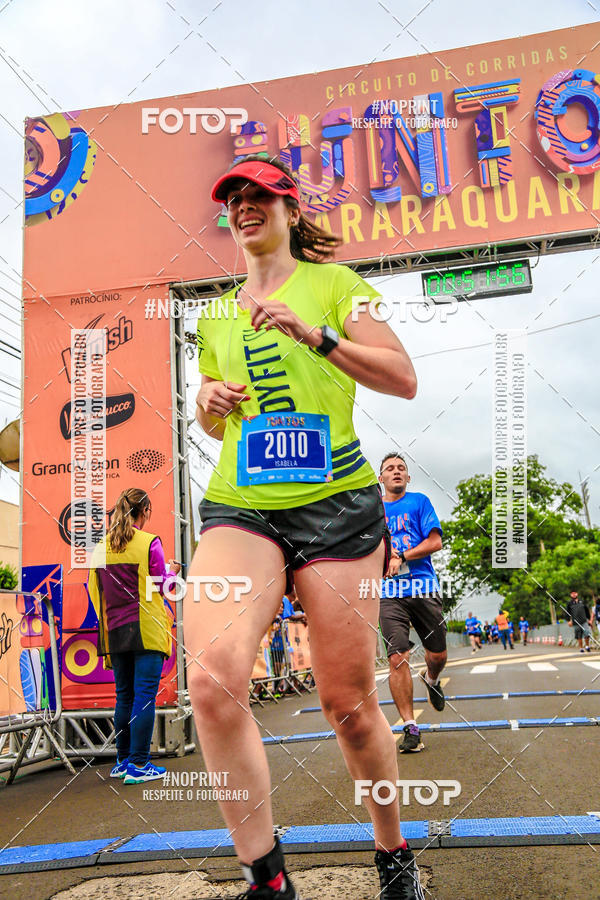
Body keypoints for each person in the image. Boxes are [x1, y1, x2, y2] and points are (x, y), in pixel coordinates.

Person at [184, 155, 424, 900]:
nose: (246, 208)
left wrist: (317, 335)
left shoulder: (341, 287)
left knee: (349, 708)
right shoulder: (214, 315)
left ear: (290, 210)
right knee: (211, 678)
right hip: (243, 503)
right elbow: (211, 419)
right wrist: (210, 404)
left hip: (336, 508)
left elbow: (403, 377)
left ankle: (393, 853)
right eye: (235, 200)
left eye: (262, 197)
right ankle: (266, 878)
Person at [88, 488, 180, 784]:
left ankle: (123, 760)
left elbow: (93, 590)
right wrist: (172, 572)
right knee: (144, 698)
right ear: (145, 512)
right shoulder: (149, 543)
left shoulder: (100, 547)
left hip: (115, 630)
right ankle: (139, 765)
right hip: (146, 629)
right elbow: (161, 585)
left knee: (124, 696)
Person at [378, 453, 446, 754]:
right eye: (389, 469)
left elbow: (435, 542)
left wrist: (402, 556)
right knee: (397, 656)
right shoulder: (372, 509)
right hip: (387, 591)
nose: (396, 472)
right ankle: (410, 727)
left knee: (438, 654)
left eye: (401, 468)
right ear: (380, 478)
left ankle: (431, 679)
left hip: (423, 585)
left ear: (408, 477)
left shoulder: (419, 502)